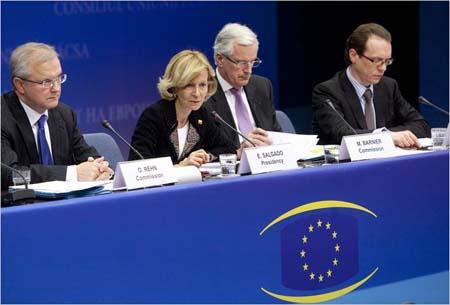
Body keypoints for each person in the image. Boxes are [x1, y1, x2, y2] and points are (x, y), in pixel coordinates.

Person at [1, 42, 113, 190]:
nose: (56, 88)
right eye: (46, 82)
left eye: (59, 78)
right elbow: (11, 175)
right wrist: (71, 174)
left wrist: (99, 169)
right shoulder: (3, 117)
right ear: (20, 85)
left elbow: (86, 155)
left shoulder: (64, 114)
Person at [312, 23, 430, 148]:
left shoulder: (389, 86)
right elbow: (342, 134)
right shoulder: (327, 92)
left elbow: (421, 125)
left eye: (387, 61)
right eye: (377, 60)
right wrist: (387, 136)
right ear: (353, 55)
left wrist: (391, 135)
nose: (383, 68)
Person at [129, 50, 238, 167]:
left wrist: (207, 156)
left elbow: (228, 149)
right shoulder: (154, 115)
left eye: (202, 85)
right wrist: (180, 167)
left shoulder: (201, 115)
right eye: (189, 85)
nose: (197, 93)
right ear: (175, 87)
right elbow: (138, 164)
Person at [204, 23, 282, 148]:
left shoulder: (262, 86)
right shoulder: (203, 94)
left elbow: (276, 133)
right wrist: (238, 151)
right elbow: (205, 149)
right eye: (241, 63)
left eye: (252, 61)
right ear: (220, 59)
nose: (248, 70)